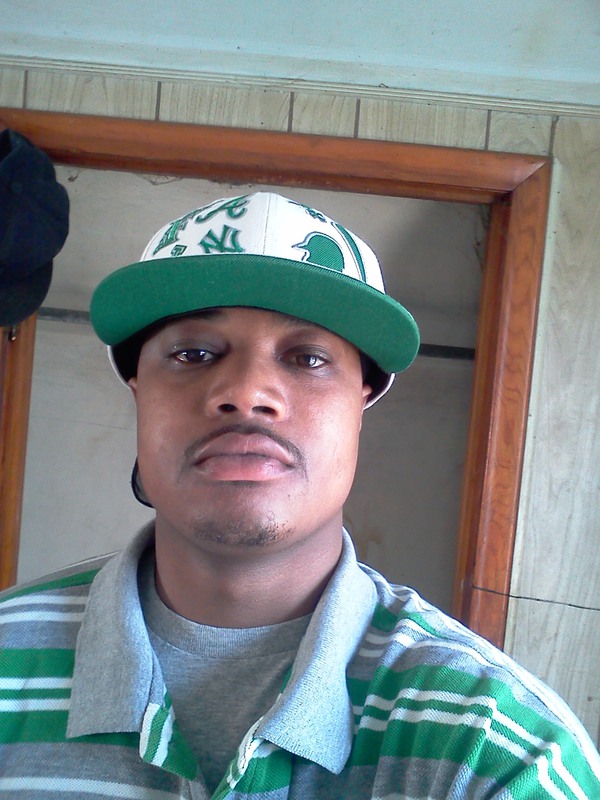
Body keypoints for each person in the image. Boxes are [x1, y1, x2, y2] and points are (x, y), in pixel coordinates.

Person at [0, 191, 598, 799]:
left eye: (308, 358)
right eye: (194, 353)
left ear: (363, 400)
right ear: (137, 388)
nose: (246, 392)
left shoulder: (497, 749)